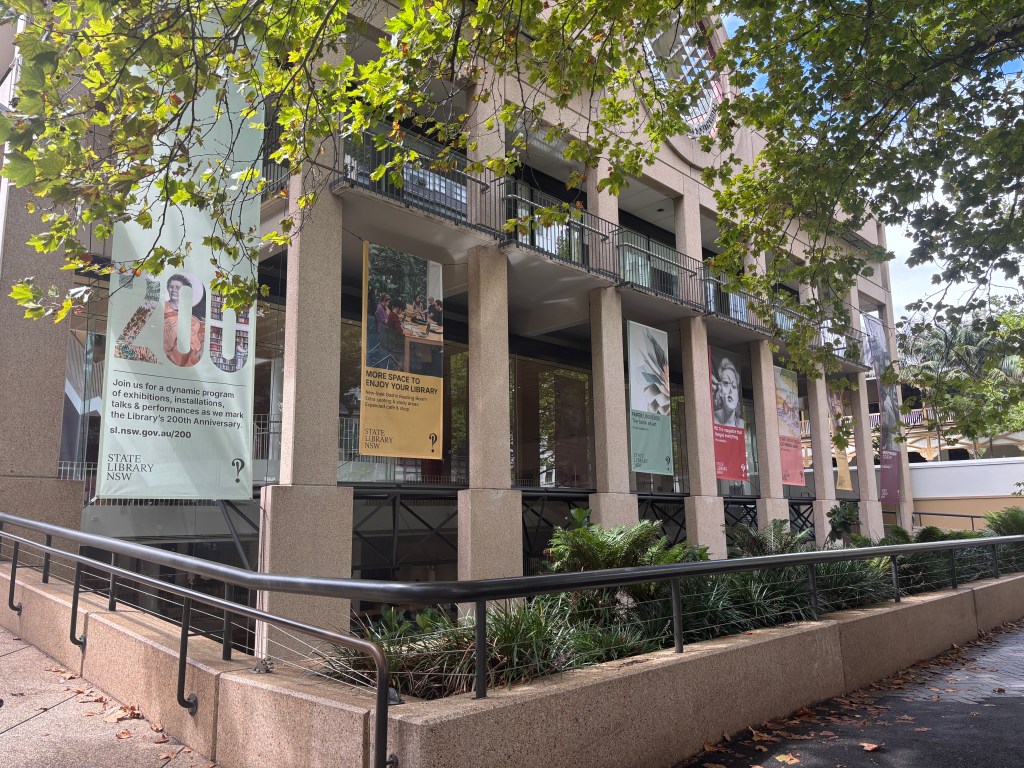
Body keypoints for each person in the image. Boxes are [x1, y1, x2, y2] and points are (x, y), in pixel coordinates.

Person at [163, 274, 204, 367]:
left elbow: (202, 335)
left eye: (178, 287)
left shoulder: (193, 315)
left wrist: (202, 349)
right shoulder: (163, 307)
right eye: (171, 286)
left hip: (188, 361)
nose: (173, 290)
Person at [713, 356, 743, 428]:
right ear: (720, 390)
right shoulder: (712, 419)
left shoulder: (741, 424)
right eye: (726, 382)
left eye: (734, 386)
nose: (730, 390)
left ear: (738, 397)